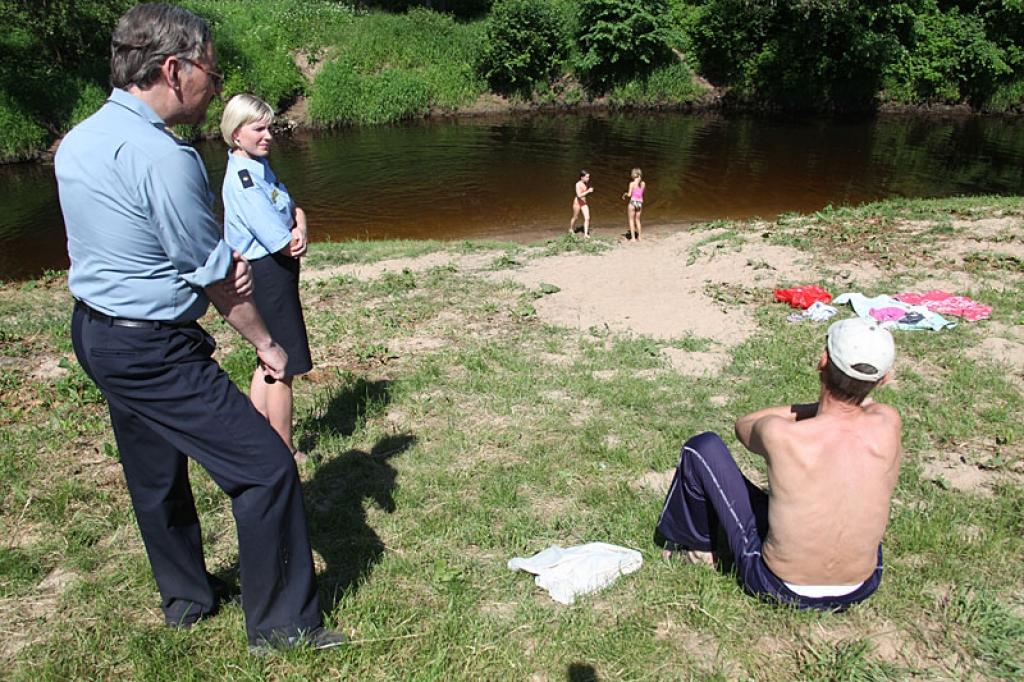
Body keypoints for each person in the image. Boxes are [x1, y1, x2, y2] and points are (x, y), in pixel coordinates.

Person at [54, 3, 344, 654]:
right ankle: (285, 628)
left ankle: (187, 600)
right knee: (266, 468)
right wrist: (268, 345)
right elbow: (213, 277)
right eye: (210, 71)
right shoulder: (165, 157)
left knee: (154, 474)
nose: (214, 85)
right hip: (152, 346)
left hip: (95, 334)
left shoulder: (80, 139)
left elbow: (119, 244)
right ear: (172, 69)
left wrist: (196, 268)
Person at [655, 318, 902, 611]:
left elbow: (743, 426)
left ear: (823, 361)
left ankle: (698, 549)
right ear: (883, 380)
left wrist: (817, 410)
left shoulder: (781, 434)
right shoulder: (889, 423)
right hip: (862, 584)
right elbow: (863, 410)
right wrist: (842, 406)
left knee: (702, 448)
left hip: (778, 584)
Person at [220, 94, 311, 465]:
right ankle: (284, 449)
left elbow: (293, 209)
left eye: (269, 127)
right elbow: (282, 241)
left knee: (267, 360)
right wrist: (295, 234)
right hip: (267, 273)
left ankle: (254, 438)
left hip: (275, 271)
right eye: (258, 128)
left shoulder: (258, 167)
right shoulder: (243, 180)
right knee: (281, 363)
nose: (268, 135)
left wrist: (301, 224)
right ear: (236, 133)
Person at [621, 168, 645, 242]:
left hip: (633, 202)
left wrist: (625, 194)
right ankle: (640, 237)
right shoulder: (643, 183)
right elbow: (641, 194)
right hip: (639, 203)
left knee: (631, 220)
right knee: (637, 220)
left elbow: (629, 194)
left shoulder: (632, 184)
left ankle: (633, 238)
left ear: (634, 175)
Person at [569, 170, 593, 238]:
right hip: (577, 203)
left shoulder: (585, 183)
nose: (588, 179)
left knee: (587, 218)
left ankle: (585, 234)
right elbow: (579, 195)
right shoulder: (578, 184)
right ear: (582, 177)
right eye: (587, 177)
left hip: (583, 203)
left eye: (588, 177)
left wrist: (588, 191)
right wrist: (588, 191)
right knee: (575, 217)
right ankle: (571, 229)